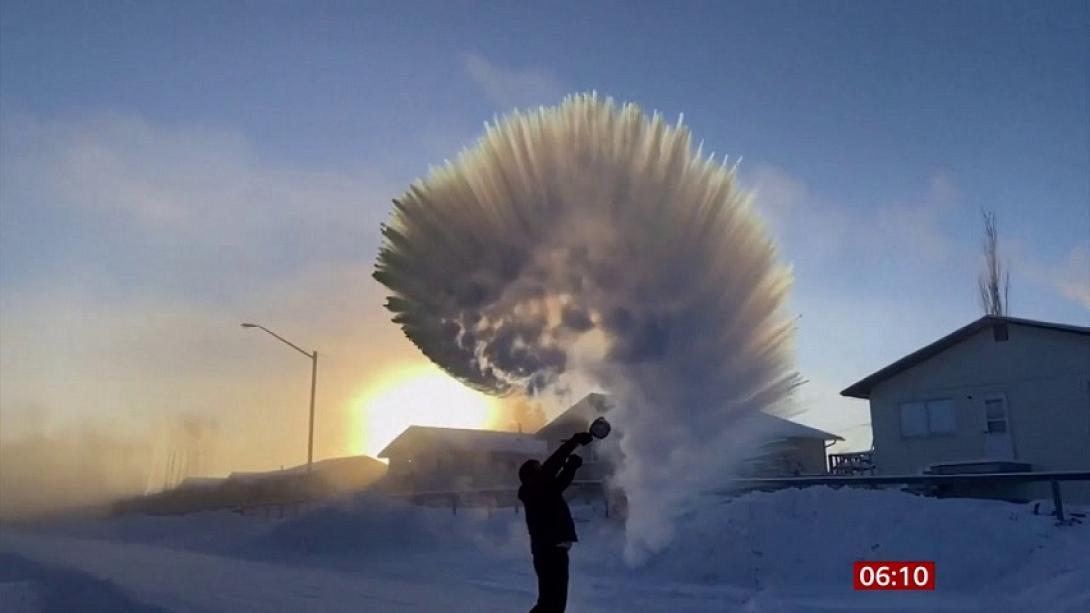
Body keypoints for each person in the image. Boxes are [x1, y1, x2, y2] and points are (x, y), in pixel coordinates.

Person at [518, 431, 594, 613]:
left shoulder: (543, 491)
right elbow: (552, 466)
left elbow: (560, 482)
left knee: (553, 604)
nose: (543, 468)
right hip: (549, 551)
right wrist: (573, 443)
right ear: (531, 475)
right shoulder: (533, 489)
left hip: (554, 551)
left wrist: (572, 466)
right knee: (551, 605)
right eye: (538, 468)